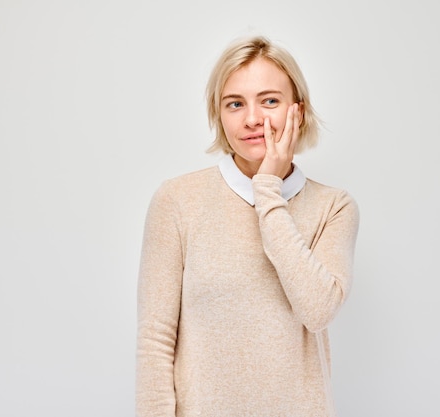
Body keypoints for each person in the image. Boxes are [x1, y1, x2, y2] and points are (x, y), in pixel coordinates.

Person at [136, 35, 360, 417]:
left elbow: (318, 311)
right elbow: (156, 340)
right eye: (235, 104)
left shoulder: (334, 207)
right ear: (219, 115)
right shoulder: (176, 200)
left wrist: (268, 192)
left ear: (298, 112)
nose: (253, 118)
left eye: (269, 100)